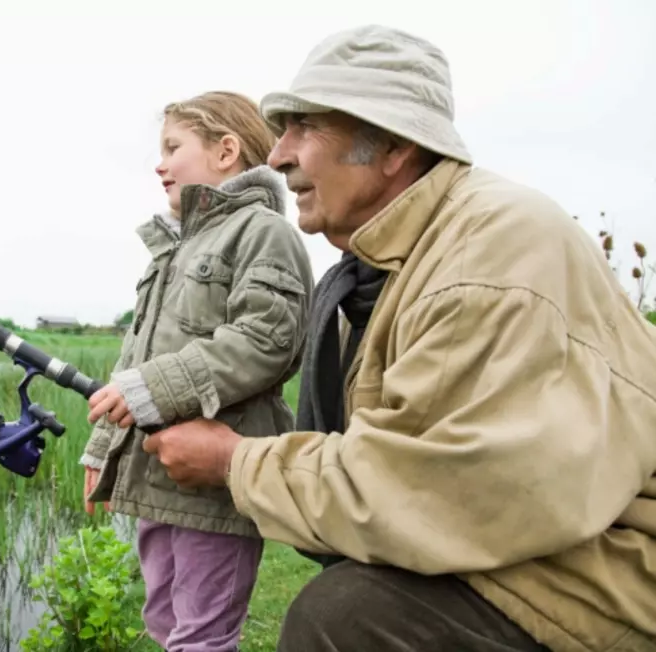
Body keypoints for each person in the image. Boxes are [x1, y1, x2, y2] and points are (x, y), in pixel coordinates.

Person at [139, 24, 656, 652]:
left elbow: (429, 493)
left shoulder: (482, 258)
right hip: (545, 543)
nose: (277, 155)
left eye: (305, 128)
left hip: (597, 579)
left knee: (344, 616)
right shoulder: (393, 263)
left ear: (390, 147)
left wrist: (232, 461)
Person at [79, 91, 314, 651]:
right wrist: (102, 450)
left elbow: (265, 340)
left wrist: (151, 391)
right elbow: (134, 363)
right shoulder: (172, 249)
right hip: (158, 475)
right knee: (163, 621)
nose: (159, 164)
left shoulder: (264, 232)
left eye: (172, 147)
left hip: (215, 486)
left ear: (226, 150)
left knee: (202, 636)